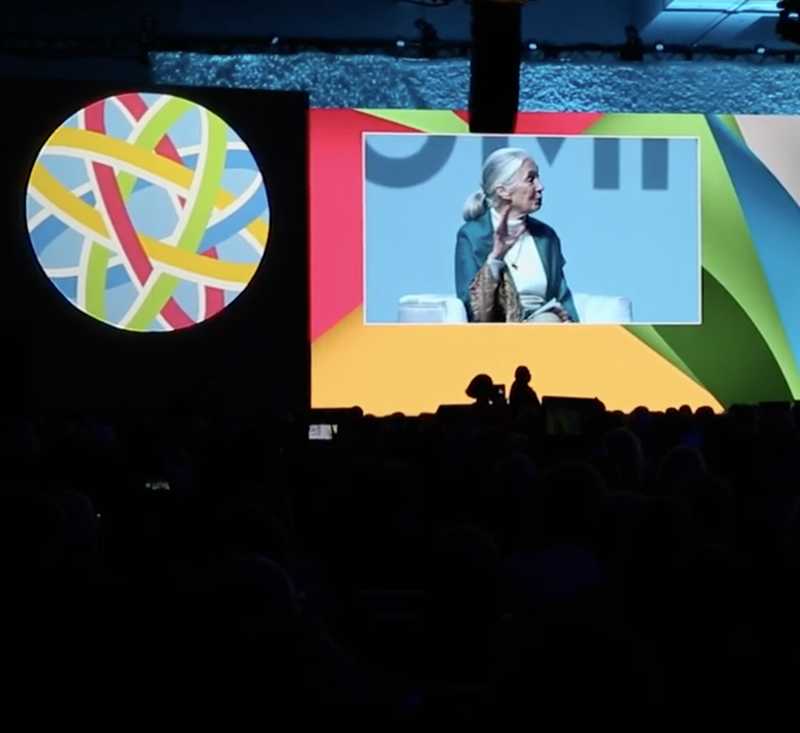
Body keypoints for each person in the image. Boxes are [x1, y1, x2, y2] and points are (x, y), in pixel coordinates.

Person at [455, 147, 579, 323]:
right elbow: (473, 309)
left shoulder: (546, 236)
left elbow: (562, 297)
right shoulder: (471, 236)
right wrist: (496, 257)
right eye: (531, 179)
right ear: (503, 191)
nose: (540, 186)